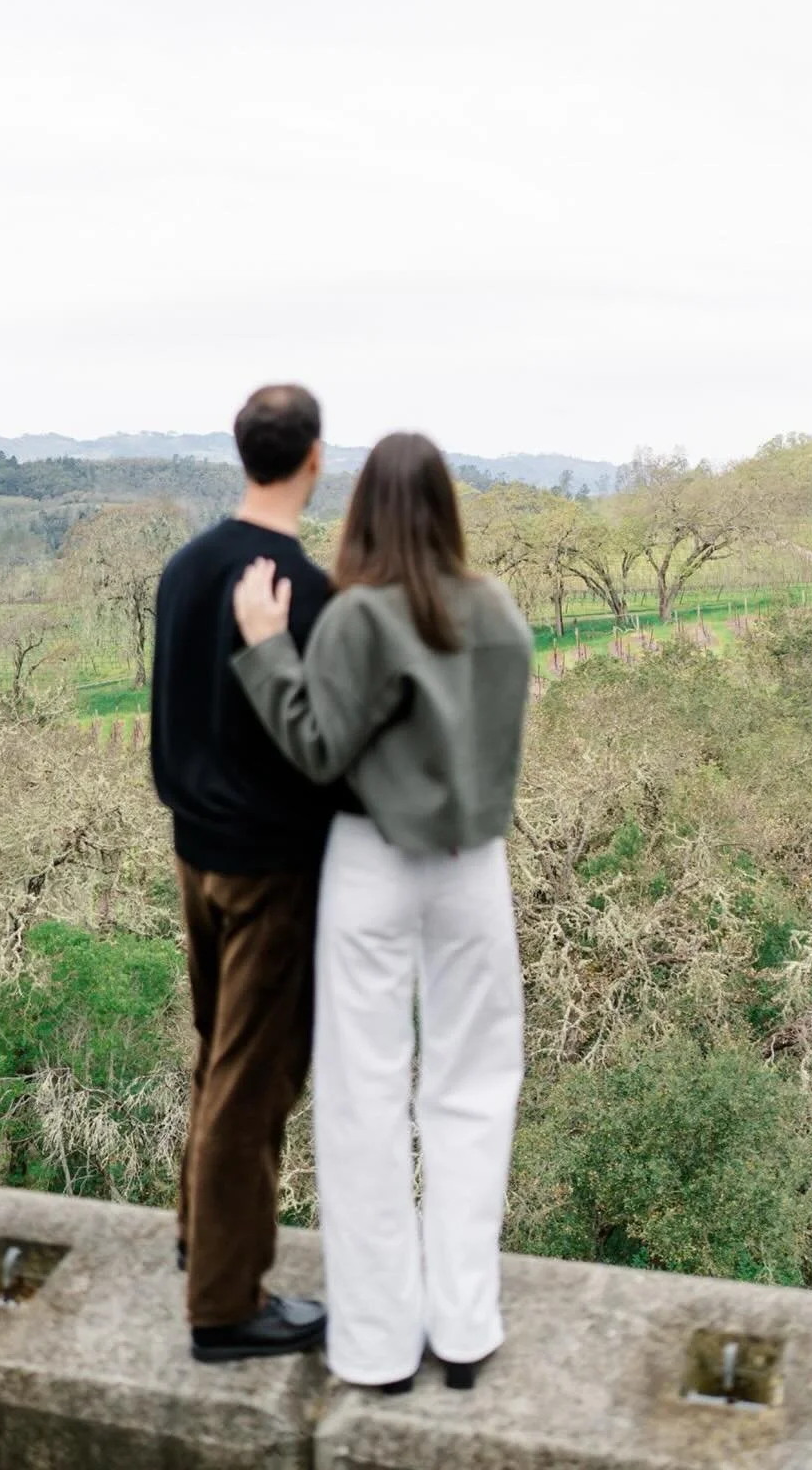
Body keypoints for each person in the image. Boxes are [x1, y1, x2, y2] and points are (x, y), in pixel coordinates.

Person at [230, 432, 532, 1394]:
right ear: (448, 506)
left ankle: (377, 1346)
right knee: (475, 1086)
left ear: (363, 510)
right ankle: (465, 1329)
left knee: (365, 1095)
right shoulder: (498, 610)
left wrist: (267, 647)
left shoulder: (360, 615)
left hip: (371, 860)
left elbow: (316, 748)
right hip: (474, 866)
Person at [150, 384, 337, 1363]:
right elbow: (319, 748)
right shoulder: (305, 590)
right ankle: (224, 1306)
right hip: (271, 869)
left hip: (193, 852)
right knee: (252, 1081)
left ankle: (201, 1236)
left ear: (242, 452)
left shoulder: (184, 569)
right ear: (313, 458)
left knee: (215, 1051)